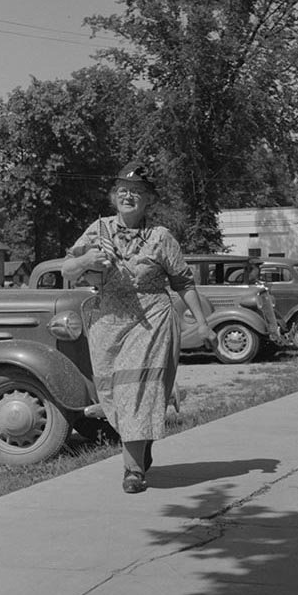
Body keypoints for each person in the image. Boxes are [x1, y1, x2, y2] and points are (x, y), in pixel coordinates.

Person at [63, 162, 216, 493]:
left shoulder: (161, 238)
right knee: (113, 396)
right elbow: (67, 268)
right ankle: (140, 443)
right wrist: (85, 262)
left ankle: (132, 470)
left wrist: (202, 325)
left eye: (137, 192)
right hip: (107, 320)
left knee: (136, 390)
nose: (128, 195)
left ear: (149, 201)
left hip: (151, 319)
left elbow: (183, 283)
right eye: (122, 190)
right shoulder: (98, 230)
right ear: (114, 197)